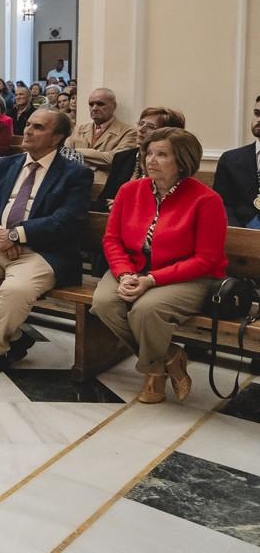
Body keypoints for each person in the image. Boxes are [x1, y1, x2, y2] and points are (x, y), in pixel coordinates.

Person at [0, 109, 92, 372]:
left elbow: (65, 220)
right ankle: (18, 338)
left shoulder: (75, 174)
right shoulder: (7, 164)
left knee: (14, 291)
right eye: (29, 124)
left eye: (38, 127)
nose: (28, 131)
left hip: (43, 251)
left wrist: (16, 235)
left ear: (56, 138)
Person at [90, 128, 227, 403]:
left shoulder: (206, 200)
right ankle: (169, 357)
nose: (151, 160)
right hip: (132, 268)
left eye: (161, 154)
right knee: (104, 302)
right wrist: (126, 273)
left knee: (146, 310)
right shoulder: (129, 191)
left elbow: (206, 259)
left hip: (187, 275)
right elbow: (112, 239)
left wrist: (150, 280)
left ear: (183, 161)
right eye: (149, 153)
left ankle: (153, 374)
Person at [94, 107, 186, 212]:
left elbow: (171, 204)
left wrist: (126, 205)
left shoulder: (172, 162)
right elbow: (103, 200)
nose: (141, 129)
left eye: (151, 127)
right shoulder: (123, 157)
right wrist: (112, 205)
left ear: (168, 133)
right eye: (140, 123)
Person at [213, 93, 260, 228]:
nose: (259, 119)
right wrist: (238, 234)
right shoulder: (230, 159)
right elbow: (222, 204)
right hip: (239, 234)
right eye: (257, 114)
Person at [68, 88, 139, 176]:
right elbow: (64, 155)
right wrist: (99, 158)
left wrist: (75, 152)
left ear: (114, 106)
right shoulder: (79, 129)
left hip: (104, 186)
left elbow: (116, 160)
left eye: (100, 104)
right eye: (91, 104)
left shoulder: (129, 131)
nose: (94, 108)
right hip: (74, 182)